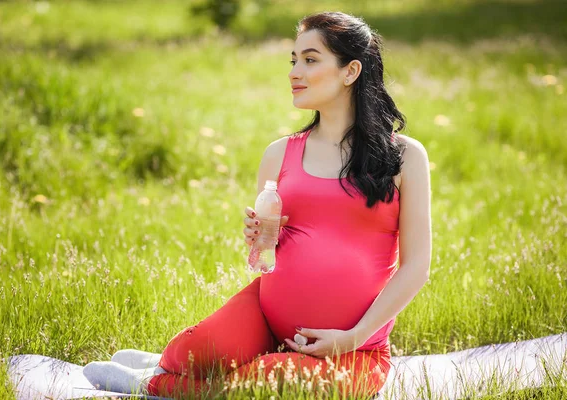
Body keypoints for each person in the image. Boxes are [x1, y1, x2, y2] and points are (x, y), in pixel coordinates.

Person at [83, 10, 432, 399]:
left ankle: (153, 383)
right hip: (266, 318)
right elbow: (266, 254)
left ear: (350, 71)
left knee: (260, 384)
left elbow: (416, 265)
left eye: (310, 59)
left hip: (354, 352)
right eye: (294, 60)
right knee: (192, 353)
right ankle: (168, 364)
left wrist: (354, 337)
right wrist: (258, 239)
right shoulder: (279, 154)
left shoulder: (405, 158)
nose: (294, 71)